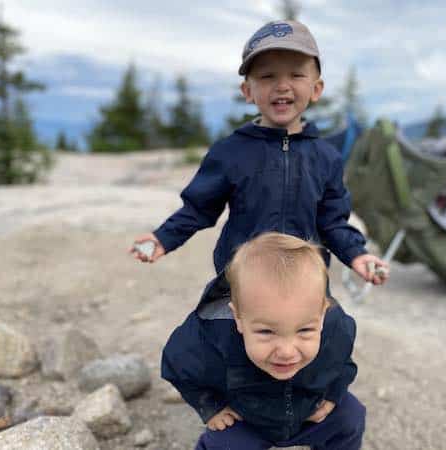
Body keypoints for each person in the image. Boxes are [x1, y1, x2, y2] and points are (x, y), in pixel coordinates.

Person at [130, 19, 389, 284]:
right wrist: (163, 237)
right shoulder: (229, 152)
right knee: (203, 326)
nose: (282, 85)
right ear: (248, 91)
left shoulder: (326, 158)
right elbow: (199, 208)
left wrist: (358, 255)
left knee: (338, 326)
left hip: (304, 282)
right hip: (242, 281)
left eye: (296, 74)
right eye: (267, 76)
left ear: (316, 89)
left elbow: (332, 223)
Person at [162, 232, 366, 449]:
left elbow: (342, 362)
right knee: (225, 444)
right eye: (267, 332)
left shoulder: (335, 328)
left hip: (308, 412)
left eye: (305, 330)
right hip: (247, 421)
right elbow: (178, 364)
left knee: (350, 416)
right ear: (238, 317)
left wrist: (333, 395)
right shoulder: (213, 337)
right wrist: (211, 407)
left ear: (323, 315)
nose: (287, 351)